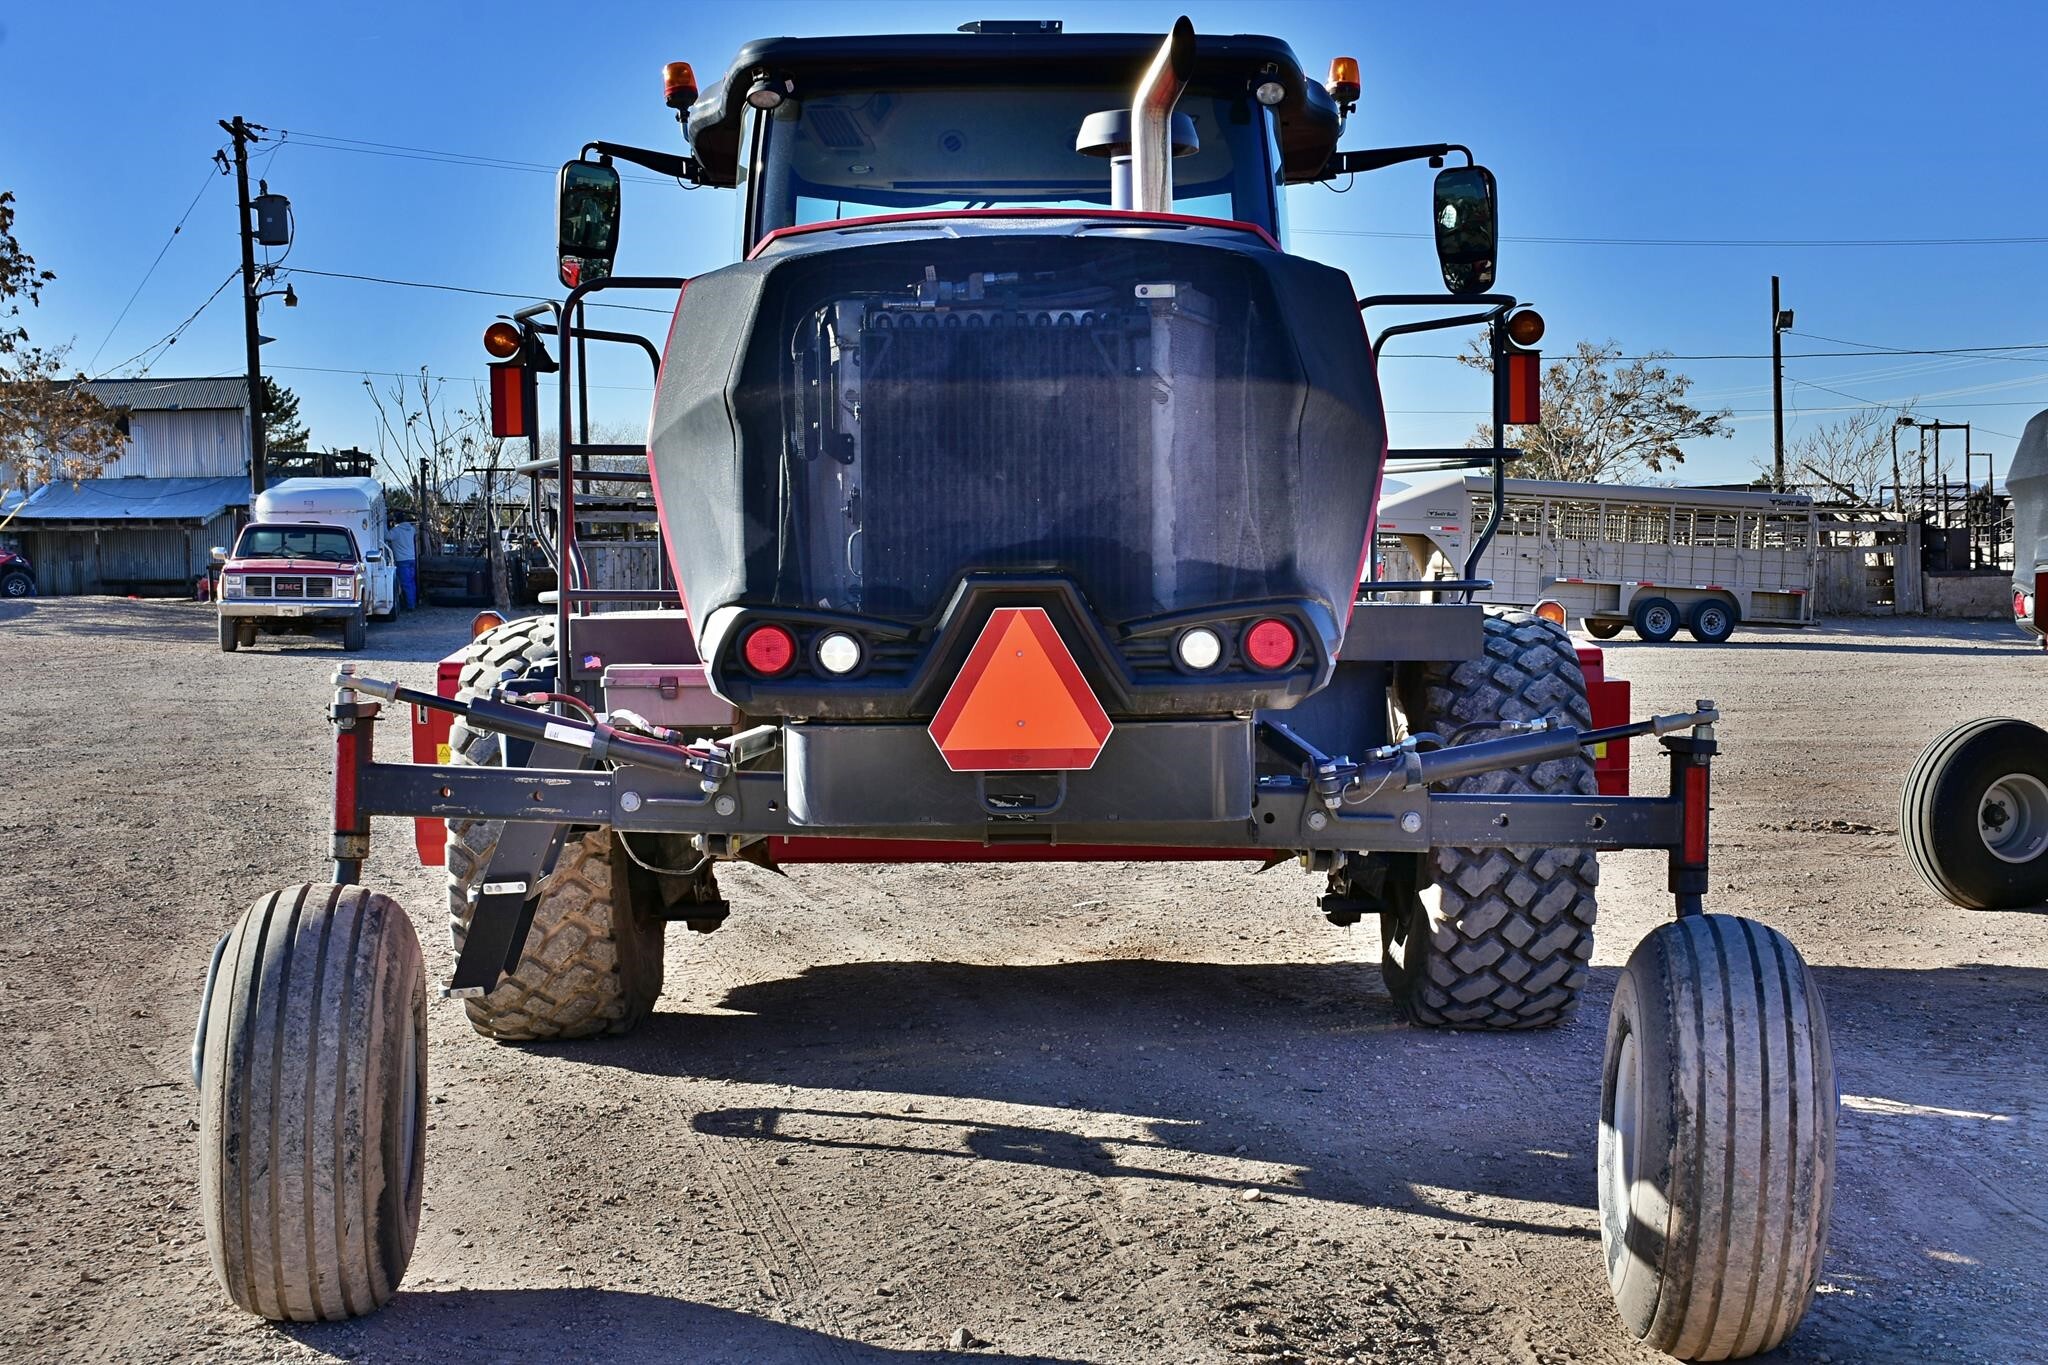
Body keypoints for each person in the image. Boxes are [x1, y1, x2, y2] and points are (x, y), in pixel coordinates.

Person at [388, 513, 419, 610]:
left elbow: (386, 536)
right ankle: (413, 602)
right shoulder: (411, 529)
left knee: (406, 583)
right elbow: (416, 530)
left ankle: (410, 605)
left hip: (402, 560)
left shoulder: (396, 531)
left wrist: (385, 524)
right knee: (412, 582)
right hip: (412, 559)